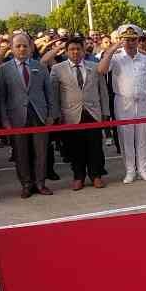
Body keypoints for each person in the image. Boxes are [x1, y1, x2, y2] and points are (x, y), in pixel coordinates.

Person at [0, 32, 56, 197]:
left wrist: (51, 114)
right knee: (21, 153)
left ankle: (40, 183)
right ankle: (26, 184)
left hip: (39, 115)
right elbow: (1, 97)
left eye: (25, 46)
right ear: (12, 49)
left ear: (31, 47)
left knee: (41, 152)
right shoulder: (4, 69)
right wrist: (5, 120)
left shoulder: (41, 66)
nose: (22, 49)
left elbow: (49, 93)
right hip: (16, 117)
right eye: (18, 46)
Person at [100, 24, 146, 183]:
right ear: (121, 40)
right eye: (126, 39)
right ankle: (130, 171)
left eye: (133, 39)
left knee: (144, 137)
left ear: (138, 40)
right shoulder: (116, 57)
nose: (130, 42)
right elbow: (101, 70)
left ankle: (144, 170)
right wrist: (112, 49)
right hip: (123, 102)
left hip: (143, 101)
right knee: (126, 137)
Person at [51, 38, 109, 189]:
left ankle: (96, 175)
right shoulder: (58, 69)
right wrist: (56, 115)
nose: (75, 52)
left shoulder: (95, 67)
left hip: (92, 113)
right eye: (72, 49)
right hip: (71, 115)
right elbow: (54, 95)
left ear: (83, 50)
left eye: (78, 49)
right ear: (66, 51)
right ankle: (78, 176)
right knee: (75, 148)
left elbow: (103, 91)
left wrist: (105, 112)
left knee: (95, 146)